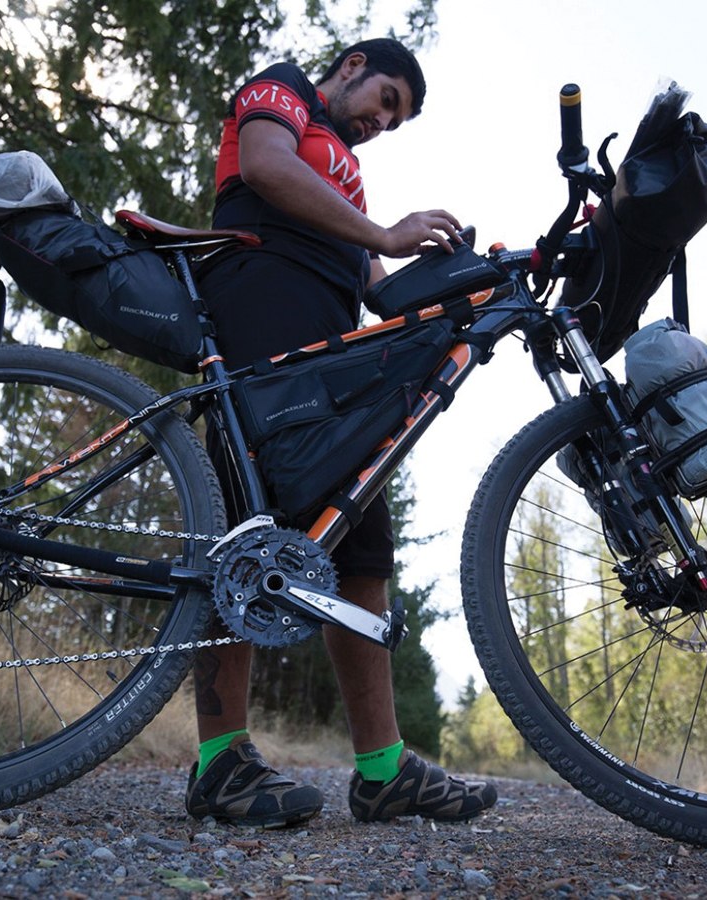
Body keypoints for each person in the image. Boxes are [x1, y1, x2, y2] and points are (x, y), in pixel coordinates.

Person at [185, 37, 497, 828]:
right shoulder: (283, 88)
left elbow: (384, 294)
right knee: (244, 532)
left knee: (360, 541)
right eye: (385, 102)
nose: (379, 125)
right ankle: (220, 762)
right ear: (354, 66)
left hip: (331, 351)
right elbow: (262, 165)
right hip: (258, 311)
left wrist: (466, 298)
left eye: (394, 123)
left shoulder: (346, 179)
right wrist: (386, 233)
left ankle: (383, 769)